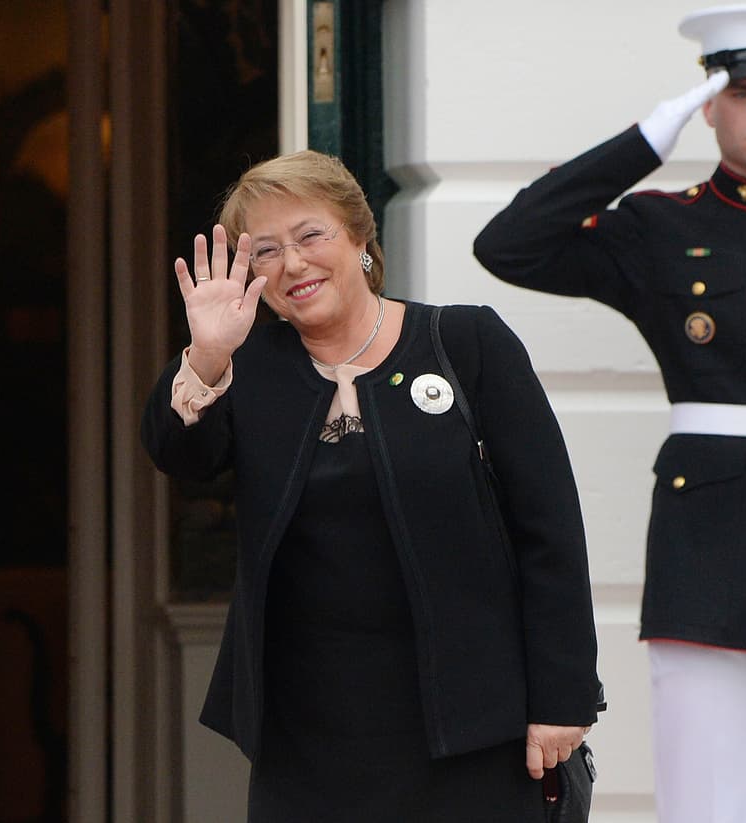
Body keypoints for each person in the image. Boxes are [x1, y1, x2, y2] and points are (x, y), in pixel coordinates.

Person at [473, 5, 746, 823]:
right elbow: (509, 243)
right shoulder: (659, 226)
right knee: (700, 806)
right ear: (709, 106)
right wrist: (644, 143)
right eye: (741, 92)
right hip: (704, 552)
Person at [140, 149, 603, 822]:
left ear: (359, 236)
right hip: (308, 741)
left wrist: (563, 698)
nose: (293, 263)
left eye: (310, 235)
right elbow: (179, 454)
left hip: (471, 728)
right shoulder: (250, 369)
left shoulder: (466, 342)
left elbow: (550, 530)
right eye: (266, 251)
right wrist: (207, 355)